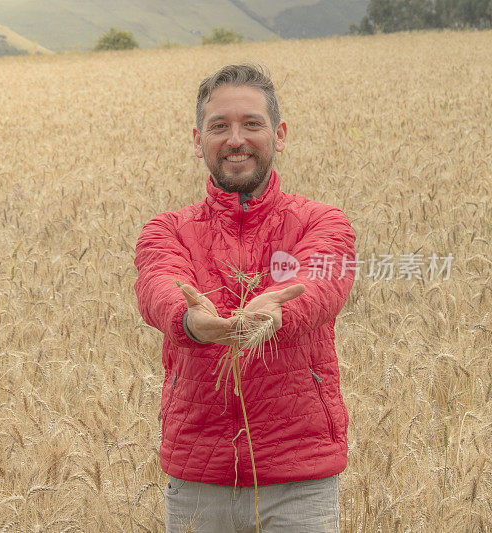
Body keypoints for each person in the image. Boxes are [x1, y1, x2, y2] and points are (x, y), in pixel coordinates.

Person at [133, 63, 356, 532]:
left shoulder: (323, 222)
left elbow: (321, 281)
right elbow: (158, 284)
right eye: (220, 126)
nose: (236, 139)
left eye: (251, 124)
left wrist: (278, 310)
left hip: (299, 481)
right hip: (199, 479)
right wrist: (189, 320)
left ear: (279, 134)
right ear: (198, 141)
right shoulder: (166, 230)